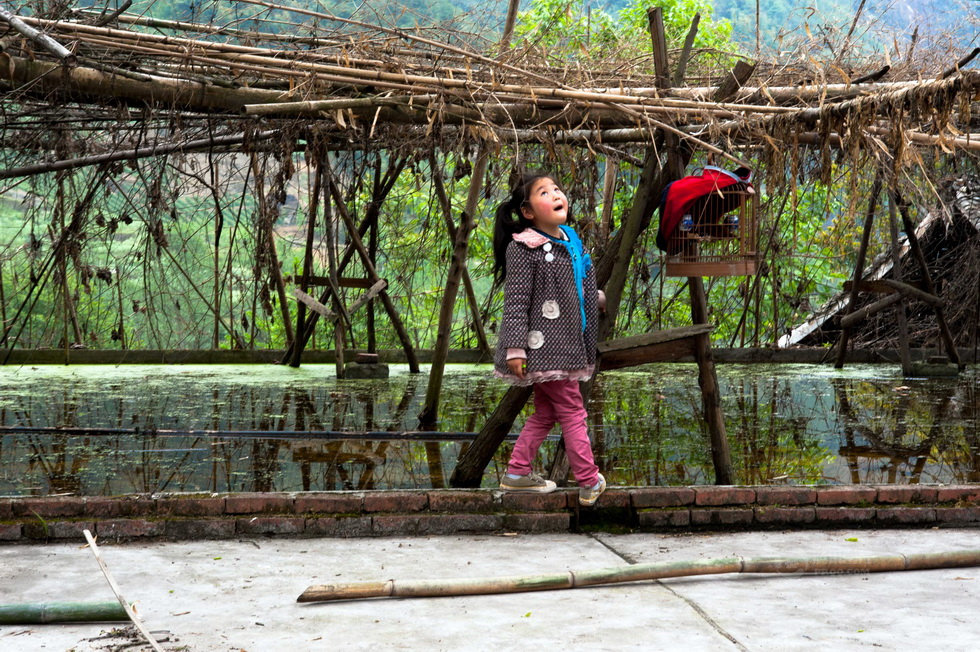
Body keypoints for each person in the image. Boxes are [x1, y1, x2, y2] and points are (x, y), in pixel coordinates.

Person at [491, 172, 606, 507]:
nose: (557, 194)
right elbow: (516, 301)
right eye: (545, 192)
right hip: (547, 347)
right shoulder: (523, 247)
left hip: (569, 341)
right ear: (528, 212)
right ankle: (588, 480)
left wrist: (593, 297)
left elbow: (575, 281)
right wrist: (515, 348)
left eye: (557, 188)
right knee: (572, 410)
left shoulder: (569, 238)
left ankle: (517, 473)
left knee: (545, 412)